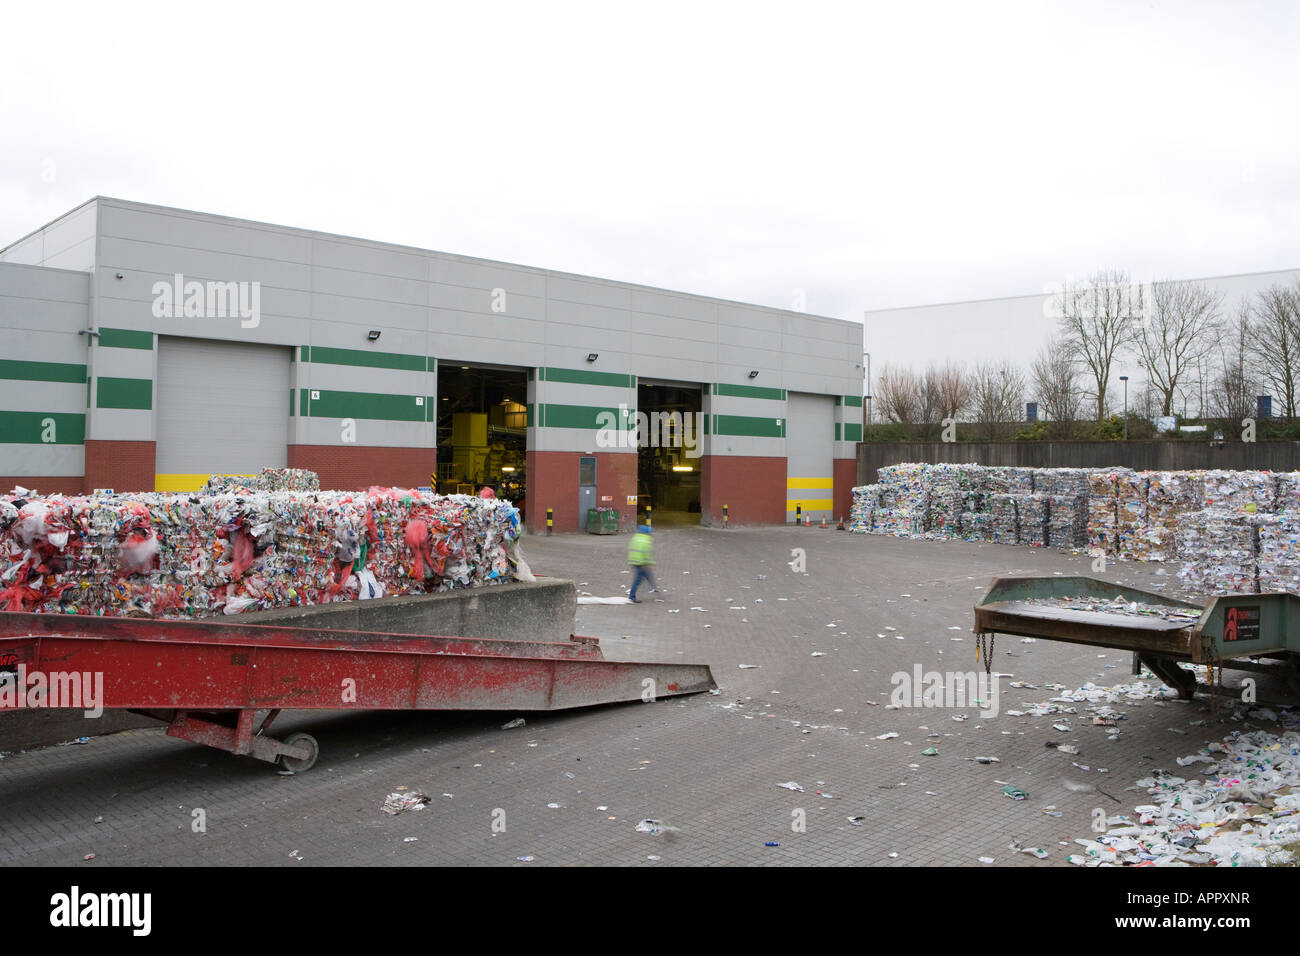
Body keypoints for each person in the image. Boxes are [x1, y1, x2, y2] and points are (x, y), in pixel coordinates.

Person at [627, 524, 658, 603]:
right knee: (638, 580)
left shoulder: (635, 538)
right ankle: (632, 597)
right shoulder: (646, 541)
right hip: (642, 563)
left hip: (634, 562)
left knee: (648, 577)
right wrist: (650, 563)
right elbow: (647, 554)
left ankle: (657, 590)